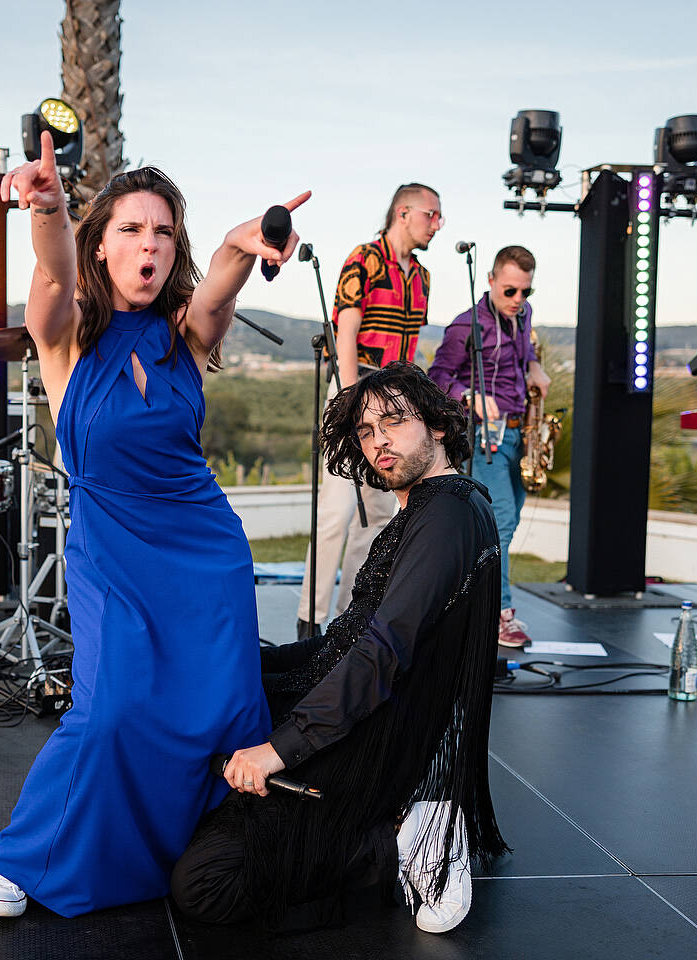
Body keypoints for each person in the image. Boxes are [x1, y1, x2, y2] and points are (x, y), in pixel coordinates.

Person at [0, 130, 308, 918]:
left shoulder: (187, 337)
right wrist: (50, 207)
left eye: (162, 232)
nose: (148, 245)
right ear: (103, 244)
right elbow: (54, 263)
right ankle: (26, 855)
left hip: (203, 551)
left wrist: (239, 243)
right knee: (112, 705)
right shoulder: (63, 333)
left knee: (221, 712)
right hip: (110, 548)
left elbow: (221, 290)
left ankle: (198, 850)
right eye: (130, 229)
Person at [172, 362, 507, 934]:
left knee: (207, 885)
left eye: (394, 423)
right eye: (367, 432)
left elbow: (383, 650)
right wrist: (252, 664)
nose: (379, 442)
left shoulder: (447, 512)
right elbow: (345, 640)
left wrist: (281, 749)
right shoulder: (427, 508)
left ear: (438, 426)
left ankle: (404, 841)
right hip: (358, 706)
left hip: (374, 736)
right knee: (211, 696)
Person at [297, 183, 442, 640]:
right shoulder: (365, 257)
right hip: (354, 387)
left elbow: (413, 345)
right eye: (431, 215)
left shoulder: (422, 276)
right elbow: (346, 330)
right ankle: (310, 620)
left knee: (378, 514)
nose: (437, 224)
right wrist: (350, 398)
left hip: (395, 401)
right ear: (404, 213)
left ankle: (349, 621)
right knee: (338, 509)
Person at [428, 244, 551, 648]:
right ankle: (499, 614)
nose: (518, 301)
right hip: (485, 436)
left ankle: (466, 595)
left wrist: (534, 366)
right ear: (491, 281)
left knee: (507, 520)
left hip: (519, 429)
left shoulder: (523, 315)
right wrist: (468, 394)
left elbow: (526, 354)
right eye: (510, 291)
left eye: (525, 292)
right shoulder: (467, 326)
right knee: (499, 521)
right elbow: (437, 376)